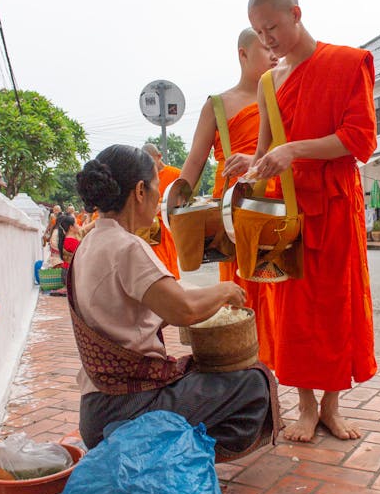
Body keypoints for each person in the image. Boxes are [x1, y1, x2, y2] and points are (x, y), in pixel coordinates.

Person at [71, 144, 279, 457]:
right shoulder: (127, 247)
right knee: (253, 382)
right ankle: (175, 457)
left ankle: (164, 451)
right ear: (140, 191)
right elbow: (183, 310)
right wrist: (225, 290)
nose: (159, 198)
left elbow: (164, 301)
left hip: (96, 410)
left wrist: (204, 296)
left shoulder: (89, 245)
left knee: (199, 374)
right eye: (157, 187)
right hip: (124, 409)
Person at [237, 0, 377, 442]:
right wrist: (248, 168)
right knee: (291, 313)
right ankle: (304, 404)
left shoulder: (345, 63)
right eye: (259, 32)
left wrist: (295, 150)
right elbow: (264, 155)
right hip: (285, 212)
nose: (267, 40)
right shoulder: (268, 82)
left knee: (335, 307)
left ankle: (332, 406)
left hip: (334, 207)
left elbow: (359, 139)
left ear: (296, 13)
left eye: (272, 27)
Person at [180, 28, 278, 368]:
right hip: (235, 217)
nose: (275, 55)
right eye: (267, 49)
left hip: (278, 214)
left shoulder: (285, 95)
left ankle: (277, 371)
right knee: (241, 295)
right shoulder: (218, 106)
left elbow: (296, 149)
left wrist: (257, 160)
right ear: (243, 54)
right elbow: (194, 161)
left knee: (281, 297)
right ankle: (248, 372)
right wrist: (173, 203)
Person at [141, 143, 181, 279]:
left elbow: (184, 199)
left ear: (159, 156)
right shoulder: (145, 179)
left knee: (169, 268)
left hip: (170, 227)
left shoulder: (175, 174)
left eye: (151, 161)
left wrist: (163, 204)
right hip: (151, 230)